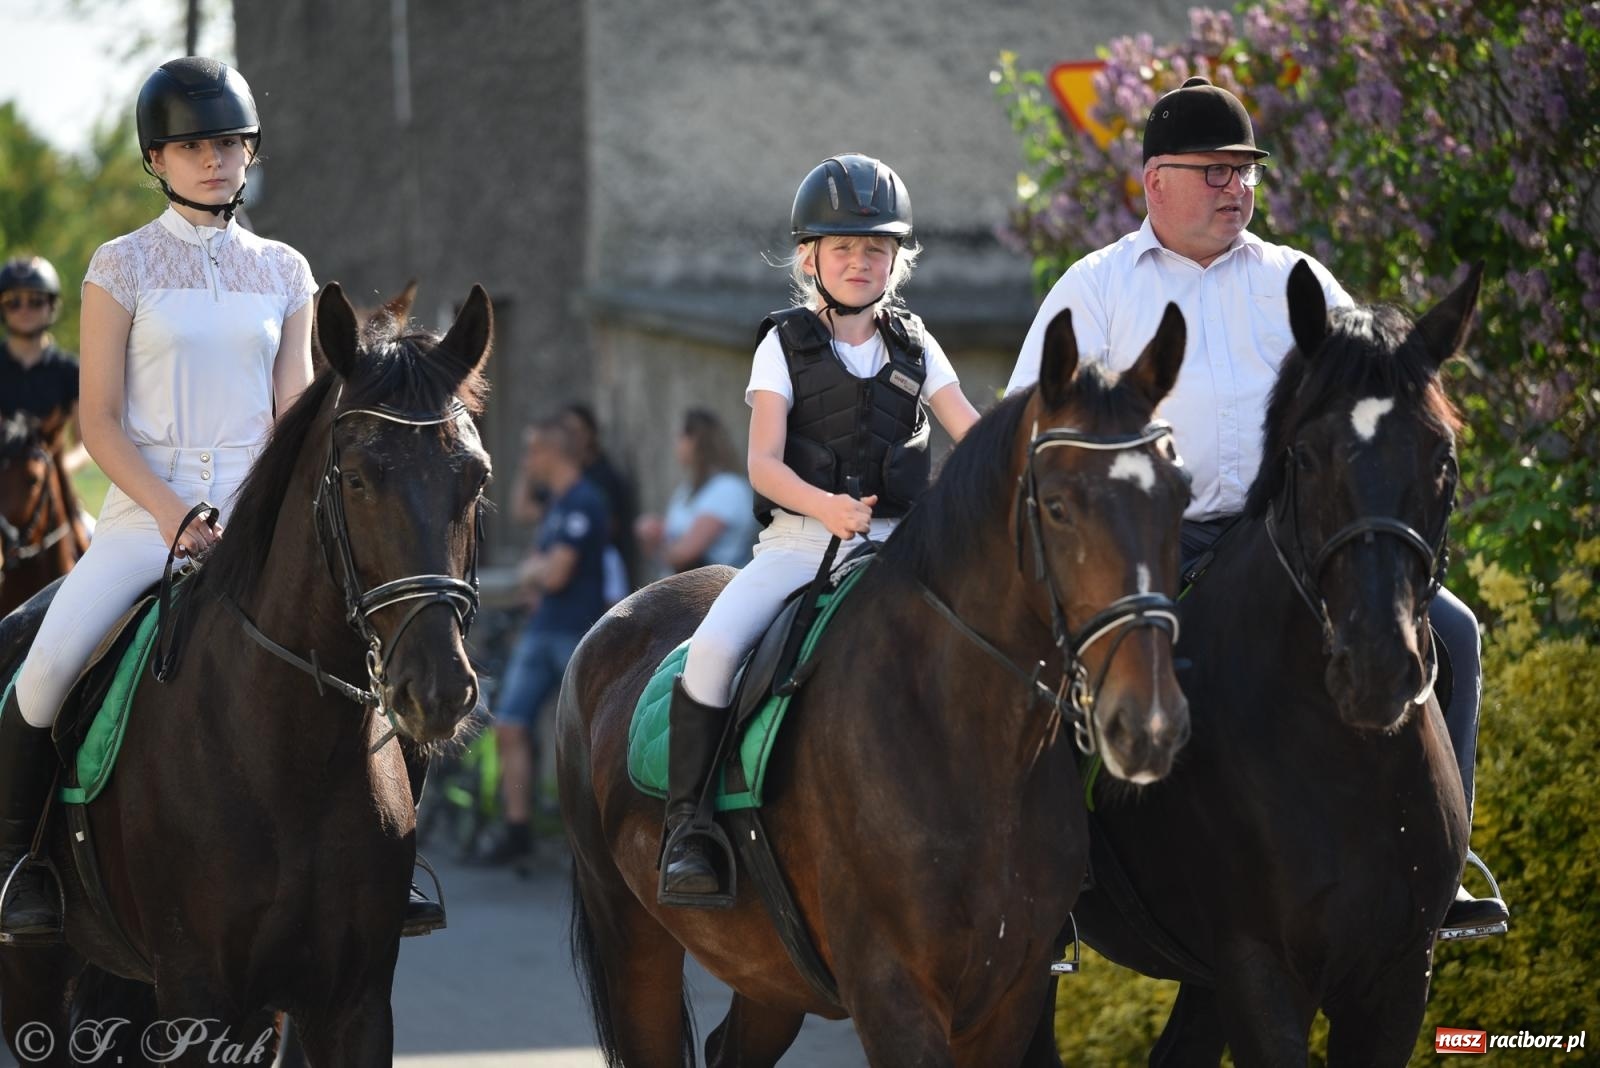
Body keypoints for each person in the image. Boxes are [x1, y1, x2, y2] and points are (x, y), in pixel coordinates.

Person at [1005, 76, 1507, 936]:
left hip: (1292, 541)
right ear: (1155, 179)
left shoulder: (1300, 279)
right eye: (1216, 172)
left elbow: (1377, 400)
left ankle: (1442, 867)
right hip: (1152, 547)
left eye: (1246, 172)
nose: (1237, 188)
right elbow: (1024, 426)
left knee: (1452, 630)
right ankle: (1049, 879)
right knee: (1052, 653)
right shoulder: (1095, 289)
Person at [0, 58, 468, 942]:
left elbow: (292, 412)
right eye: (190, 146)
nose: (213, 159)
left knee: (383, 648)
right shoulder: (120, 265)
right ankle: (19, 864)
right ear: (157, 159)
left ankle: (392, 854)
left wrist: (270, 507)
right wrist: (176, 517)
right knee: (47, 668)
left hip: (257, 517)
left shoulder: (285, 270)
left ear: (249, 151)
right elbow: (99, 422)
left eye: (228, 142)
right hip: (149, 519)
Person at [659, 154, 982, 905]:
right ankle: (690, 829)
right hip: (802, 545)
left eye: (876, 248)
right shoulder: (784, 343)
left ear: (897, 259)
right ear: (811, 258)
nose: (861, 262)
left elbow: (970, 428)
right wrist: (828, 509)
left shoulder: (916, 343)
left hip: (905, 548)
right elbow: (764, 466)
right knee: (709, 650)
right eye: (844, 248)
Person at [476, 416, 611, 866]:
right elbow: (533, 569)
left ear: (552, 454)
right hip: (541, 631)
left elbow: (552, 573)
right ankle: (518, 831)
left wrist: (535, 572)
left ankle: (598, 838)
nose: (527, 461)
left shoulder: (585, 500)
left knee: (586, 738)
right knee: (510, 725)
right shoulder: (556, 503)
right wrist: (535, 572)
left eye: (533, 452)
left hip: (575, 632)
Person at [634, 407, 757, 577]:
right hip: (683, 592)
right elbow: (675, 535)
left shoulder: (728, 488)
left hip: (714, 594)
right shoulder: (688, 489)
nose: (676, 445)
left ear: (695, 441)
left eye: (680, 438)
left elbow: (685, 555)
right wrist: (654, 529)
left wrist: (656, 544)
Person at [0, 255, 91, 478]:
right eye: (13, 301)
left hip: (53, 490)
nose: (24, 309)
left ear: (52, 306)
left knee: (87, 517)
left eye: (36, 301)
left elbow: (86, 444)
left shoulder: (71, 370)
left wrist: (58, 470)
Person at [560, 402, 639, 604]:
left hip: (598, 568)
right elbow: (524, 510)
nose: (572, 438)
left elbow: (608, 525)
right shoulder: (565, 479)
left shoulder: (604, 476)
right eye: (566, 432)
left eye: (576, 431)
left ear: (590, 433)